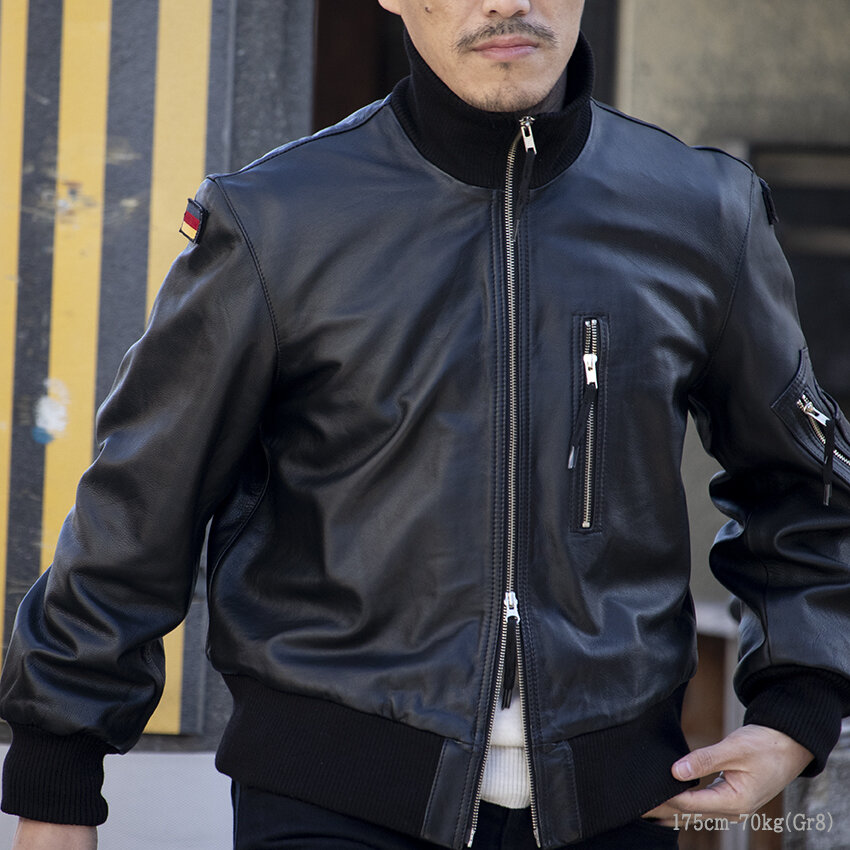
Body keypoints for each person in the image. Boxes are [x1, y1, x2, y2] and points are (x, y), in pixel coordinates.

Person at [3, 1, 850, 848]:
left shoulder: (702, 211)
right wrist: (57, 779)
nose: (507, 1)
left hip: (618, 805)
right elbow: (143, 505)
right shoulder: (276, 219)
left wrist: (797, 709)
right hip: (330, 806)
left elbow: (801, 486)